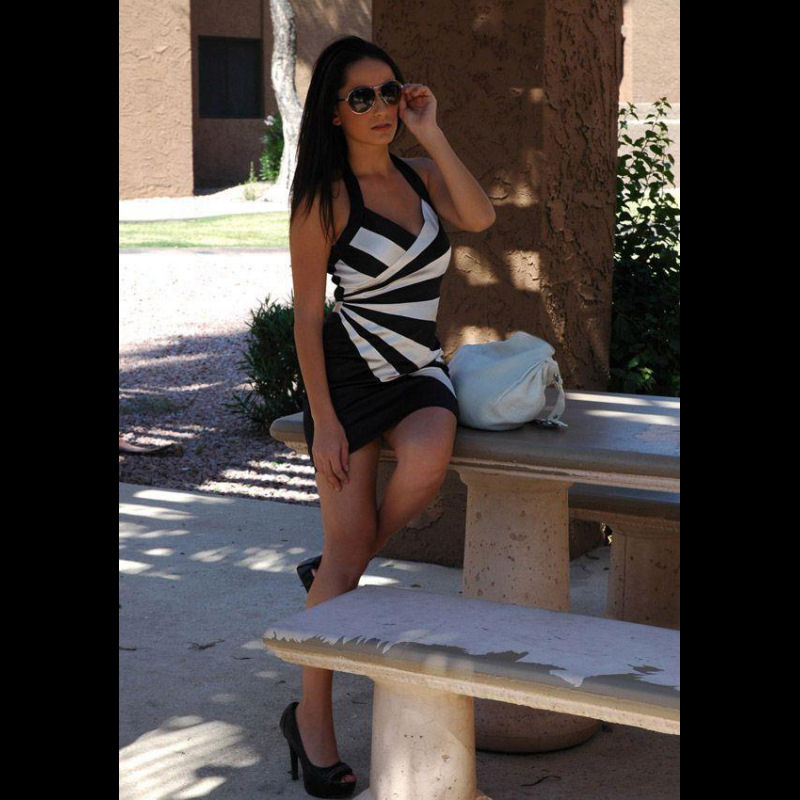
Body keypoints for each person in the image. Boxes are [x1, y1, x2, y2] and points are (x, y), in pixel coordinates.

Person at [280, 35, 495, 798]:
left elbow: (481, 217)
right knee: (341, 564)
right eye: (361, 97)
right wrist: (325, 421)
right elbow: (308, 320)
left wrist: (431, 132)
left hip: (418, 370)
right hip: (347, 379)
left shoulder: (423, 175)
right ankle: (310, 721)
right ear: (334, 113)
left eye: (389, 91)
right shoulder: (323, 201)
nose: (380, 107)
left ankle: (340, 566)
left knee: (428, 462)